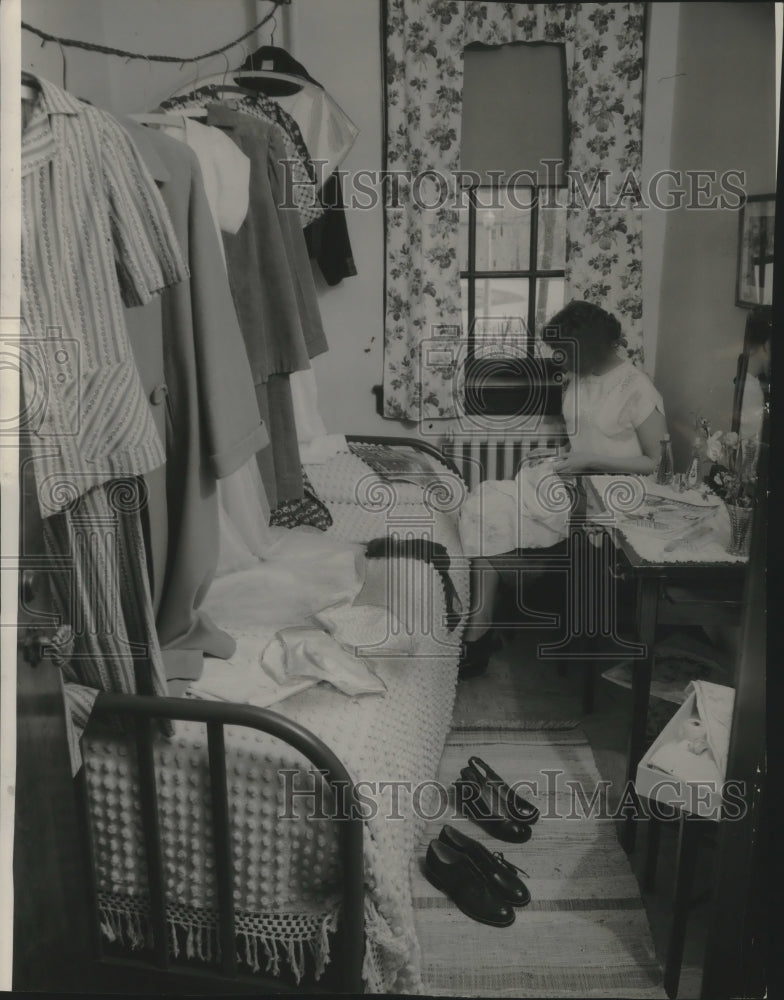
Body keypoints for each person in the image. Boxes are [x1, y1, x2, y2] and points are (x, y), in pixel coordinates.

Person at [458, 299, 668, 678]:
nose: (557, 358)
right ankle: (483, 621)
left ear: (588, 347)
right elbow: (586, 436)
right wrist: (558, 454)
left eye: (563, 350)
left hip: (613, 493)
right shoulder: (580, 377)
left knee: (494, 512)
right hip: (575, 476)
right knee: (483, 500)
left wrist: (589, 462)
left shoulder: (638, 389)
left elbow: (655, 463)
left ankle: (481, 632)